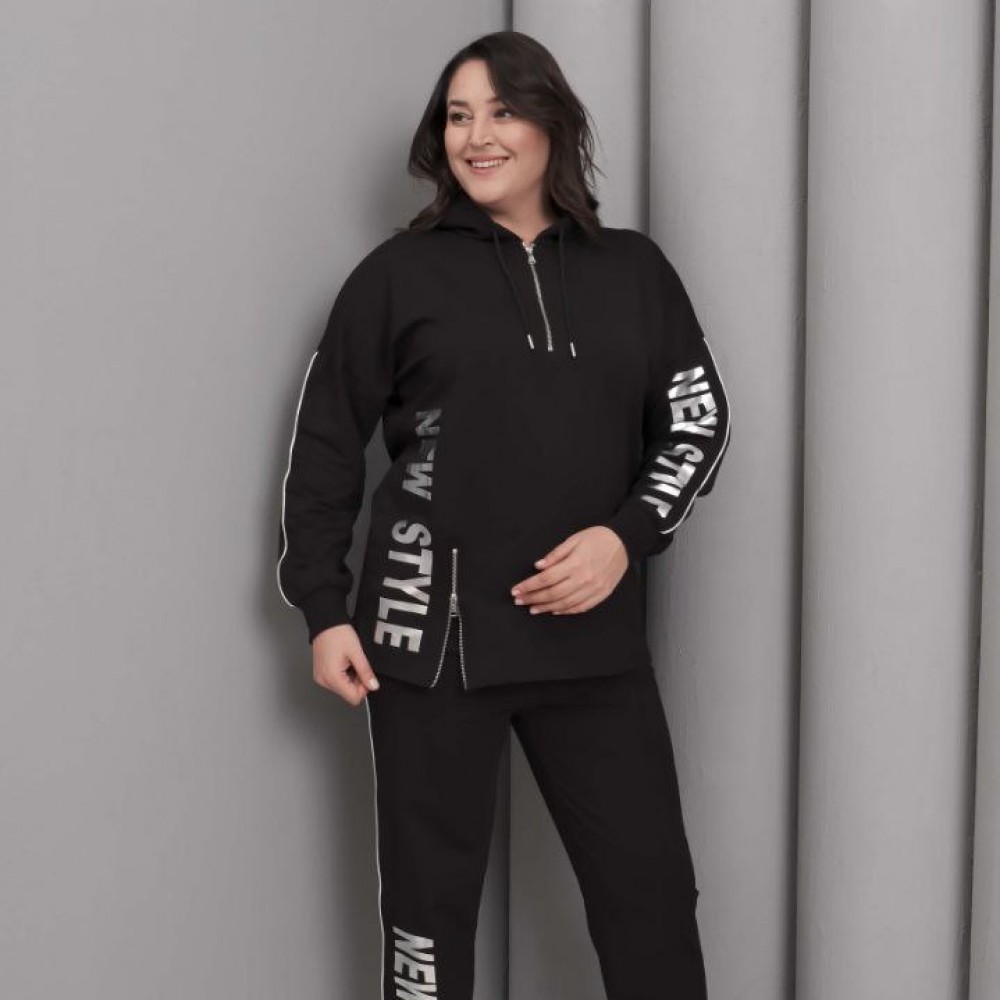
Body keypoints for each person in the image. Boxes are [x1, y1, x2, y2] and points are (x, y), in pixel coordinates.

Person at [276, 29, 730, 1000]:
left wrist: (624, 537)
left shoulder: (634, 272)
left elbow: (697, 423)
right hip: (426, 644)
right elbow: (324, 445)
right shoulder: (394, 277)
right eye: (457, 116)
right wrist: (321, 607)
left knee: (650, 900)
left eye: (502, 111)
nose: (476, 136)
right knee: (427, 921)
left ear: (552, 124)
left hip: (592, 647)